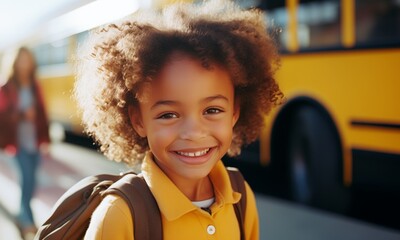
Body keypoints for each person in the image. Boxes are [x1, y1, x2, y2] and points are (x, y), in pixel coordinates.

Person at [74, 1, 283, 239]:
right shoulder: (121, 215)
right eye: (168, 115)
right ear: (138, 120)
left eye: (212, 110)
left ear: (235, 112)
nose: (194, 132)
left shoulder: (240, 196)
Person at [0, 47, 50, 240]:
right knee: (27, 180)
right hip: (17, 143)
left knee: (32, 182)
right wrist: (22, 115)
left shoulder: (34, 85)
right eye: (21, 60)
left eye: (28, 59)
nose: (25, 64)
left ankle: (19, 216)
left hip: (34, 141)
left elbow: (42, 113)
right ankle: (28, 222)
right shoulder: (5, 85)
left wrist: (46, 138)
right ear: (14, 62)